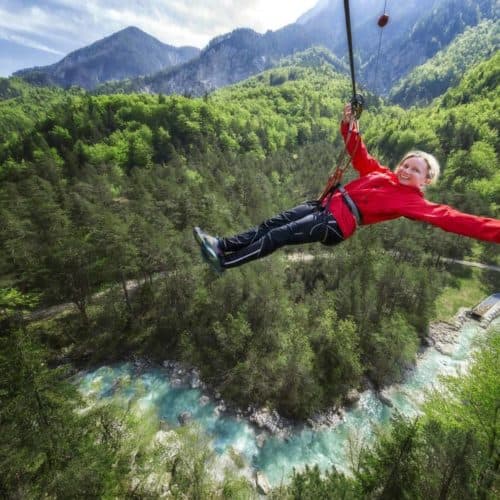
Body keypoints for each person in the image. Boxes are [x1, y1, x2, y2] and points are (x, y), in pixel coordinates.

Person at [194, 103, 500, 273]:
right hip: (326, 204)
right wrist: (349, 123)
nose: (407, 170)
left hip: (338, 221)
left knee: (278, 235)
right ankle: (223, 244)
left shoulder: (413, 202)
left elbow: (452, 218)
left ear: (426, 180)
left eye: (415, 169)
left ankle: (224, 262)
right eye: (406, 164)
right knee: (271, 224)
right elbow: (359, 152)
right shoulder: (382, 174)